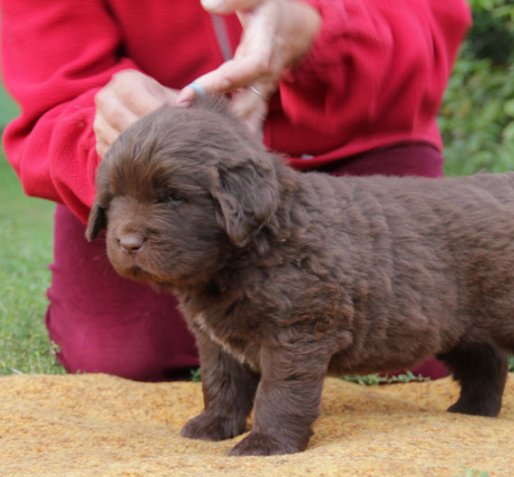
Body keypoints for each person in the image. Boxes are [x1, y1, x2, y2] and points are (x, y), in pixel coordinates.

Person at [1, 0, 472, 381]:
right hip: (159, 185)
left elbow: (430, 25)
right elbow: (52, 92)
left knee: (416, 342)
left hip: (356, 144)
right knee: (122, 355)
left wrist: (318, 31)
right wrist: (105, 127)